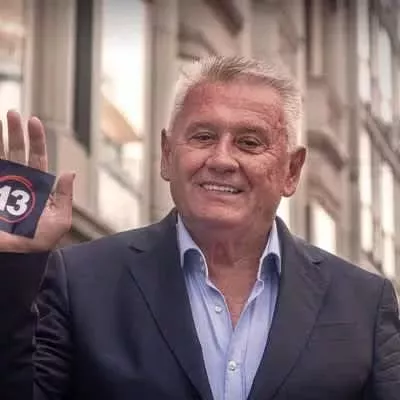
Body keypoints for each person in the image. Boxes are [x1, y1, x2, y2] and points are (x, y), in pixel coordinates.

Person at [0, 56, 399, 400]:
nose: (221, 159)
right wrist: (12, 264)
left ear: (291, 171)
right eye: (203, 137)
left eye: (249, 142)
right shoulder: (80, 280)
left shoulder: (363, 304)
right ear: (166, 155)